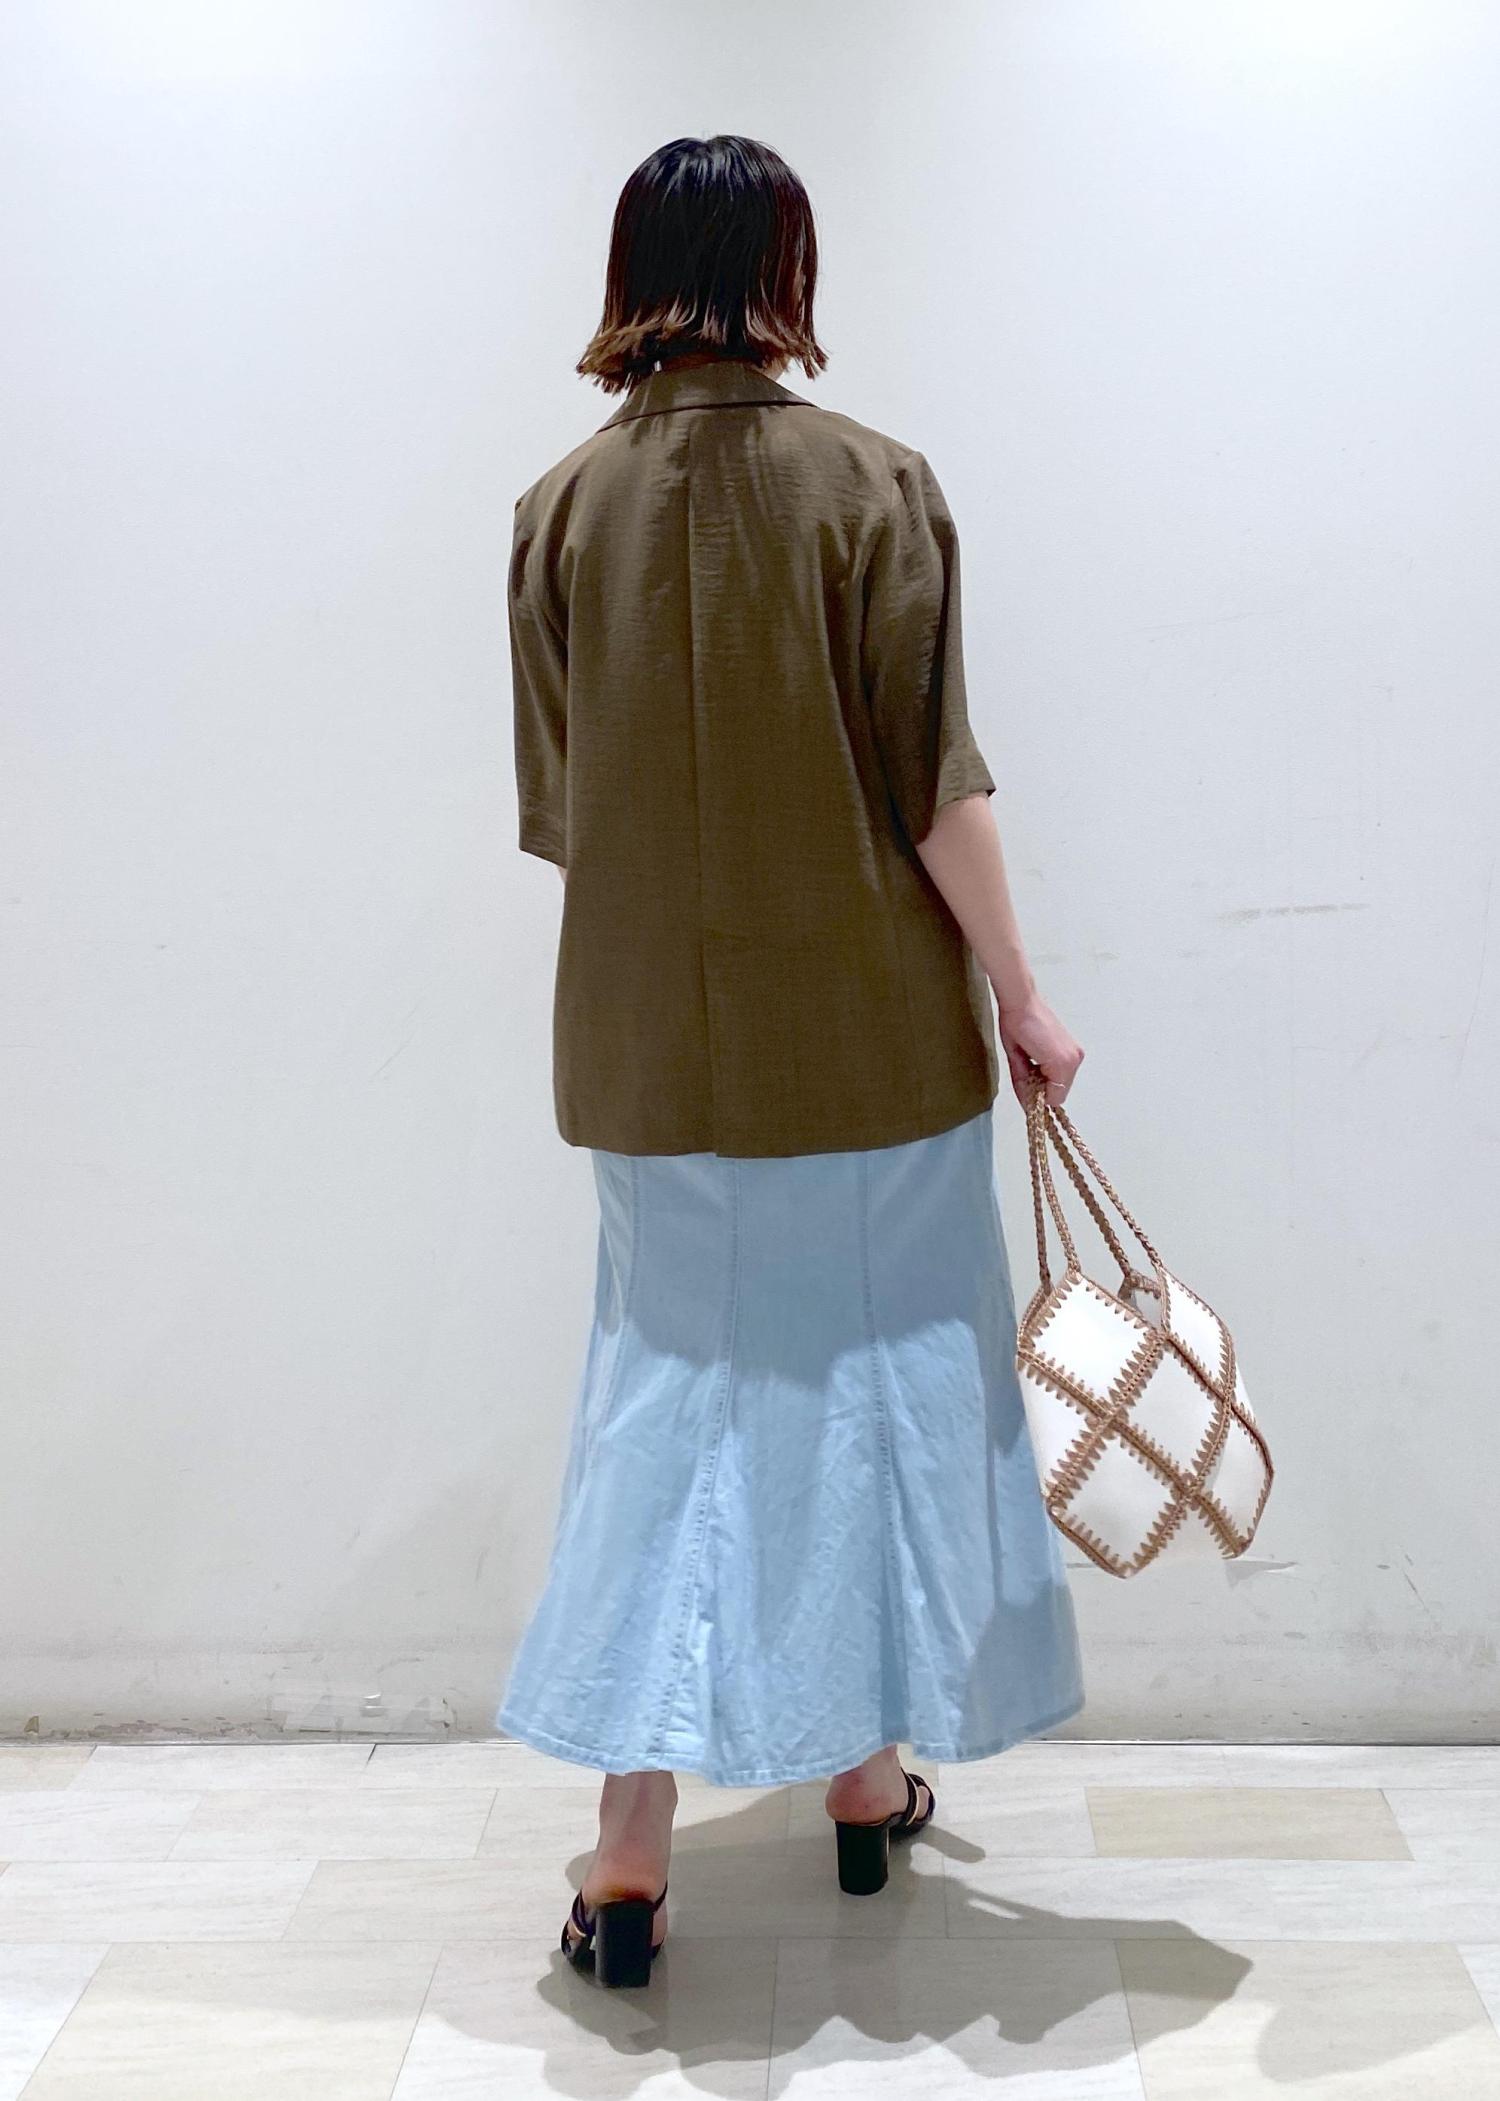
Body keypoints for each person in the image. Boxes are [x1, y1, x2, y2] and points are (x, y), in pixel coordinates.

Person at [498, 133, 1086, 1988]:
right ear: (786, 273)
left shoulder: (555, 512)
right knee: (879, 1399)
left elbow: (572, 815)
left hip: (651, 1063)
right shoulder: (876, 485)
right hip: (871, 1055)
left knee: (663, 1409)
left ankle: (631, 1850)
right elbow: (939, 788)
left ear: (633, 276)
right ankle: (860, 1776)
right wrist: (1024, 995)